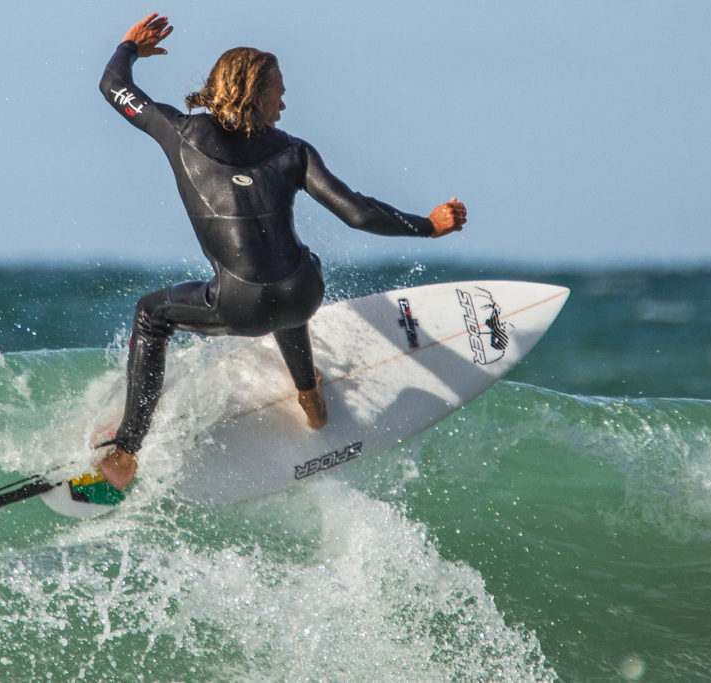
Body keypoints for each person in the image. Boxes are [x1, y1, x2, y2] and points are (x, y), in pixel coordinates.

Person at [94, 13, 467, 490]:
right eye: (279, 91)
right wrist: (428, 226)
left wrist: (129, 47)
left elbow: (112, 84)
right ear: (253, 94)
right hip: (303, 294)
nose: (285, 102)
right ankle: (309, 396)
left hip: (240, 305)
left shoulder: (178, 131)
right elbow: (357, 212)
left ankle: (126, 451)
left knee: (150, 315)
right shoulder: (295, 152)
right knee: (294, 264)